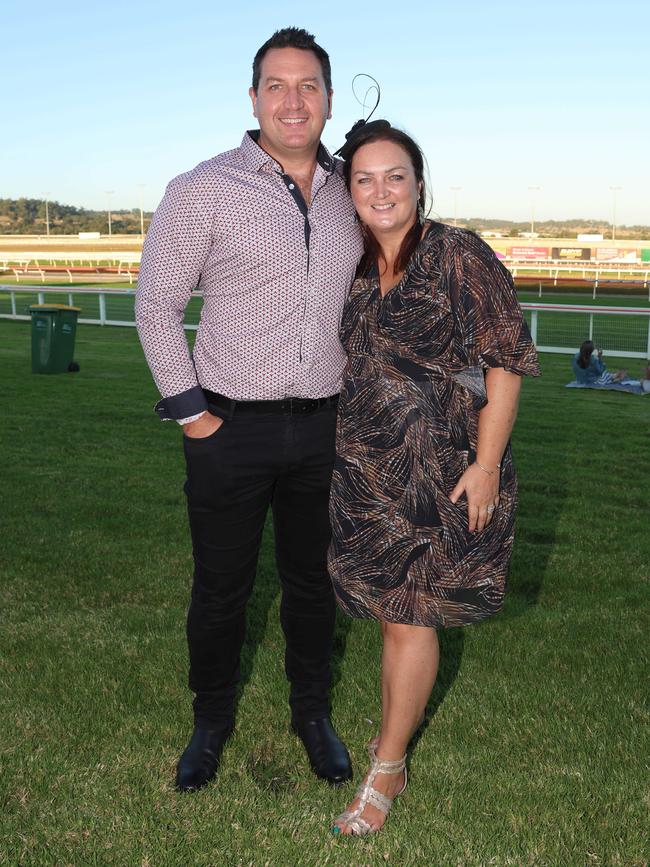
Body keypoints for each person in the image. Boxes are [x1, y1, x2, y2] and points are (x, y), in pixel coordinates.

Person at [135, 27, 363, 792]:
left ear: (329, 99)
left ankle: (312, 711)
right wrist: (195, 416)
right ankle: (210, 719)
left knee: (312, 583)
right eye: (277, 85)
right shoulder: (202, 188)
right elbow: (156, 305)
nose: (292, 101)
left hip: (325, 425)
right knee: (221, 586)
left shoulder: (351, 194)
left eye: (308, 86)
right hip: (229, 425)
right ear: (253, 97)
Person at [327, 122, 540, 834]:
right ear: (349, 190)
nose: (380, 190)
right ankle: (393, 740)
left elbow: (505, 360)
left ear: (419, 183)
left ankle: (386, 769)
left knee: (413, 620)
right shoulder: (352, 265)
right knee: (393, 622)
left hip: (440, 476)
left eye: (395, 175)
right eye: (364, 178)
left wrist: (485, 466)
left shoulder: (457, 254)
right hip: (368, 474)